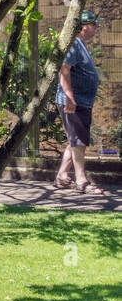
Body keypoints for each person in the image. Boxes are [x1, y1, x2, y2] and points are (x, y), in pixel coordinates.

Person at [55, 11, 104, 194]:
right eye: (94, 24)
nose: (96, 28)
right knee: (78, 141)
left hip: (81, 101)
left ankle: (62, 176)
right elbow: (64, 69)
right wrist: (69, 96)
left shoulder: (80, 44)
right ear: (84, 26)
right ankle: (81, 181)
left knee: (76, 139)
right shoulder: (74, 44)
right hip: (73, 102)